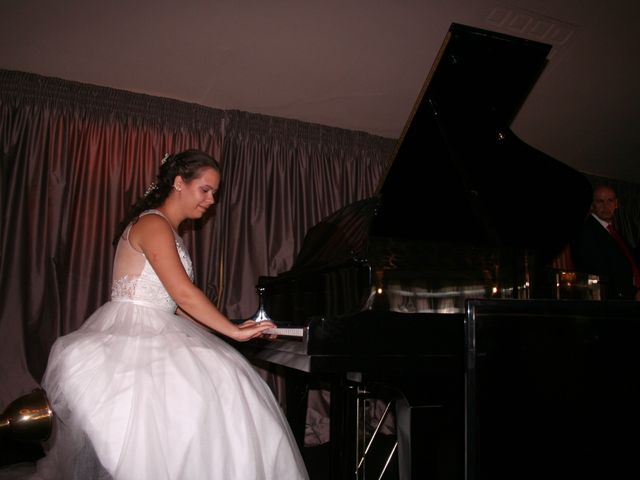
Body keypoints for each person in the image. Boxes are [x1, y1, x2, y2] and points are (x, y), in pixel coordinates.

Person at [29, 149, 309, 479]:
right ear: (179, 183)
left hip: (159, 323)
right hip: (133, 332)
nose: (211, 201)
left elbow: (175, 306)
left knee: (218, 387)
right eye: (205, 190)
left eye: (215, 194)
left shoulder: (167, 230)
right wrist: (234, 334)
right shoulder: (152, 223)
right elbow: (184, 294)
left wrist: (231, 327)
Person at [570, 184, 640, 300]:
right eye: (600, 201)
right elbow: (597, 271)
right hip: (610, 302)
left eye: (610, 201)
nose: (606, 206)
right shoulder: (585, 231)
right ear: (592, 205)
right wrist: (632, 293)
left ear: (616, 204)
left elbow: (629, 261)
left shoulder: (613, 232)